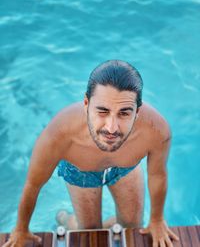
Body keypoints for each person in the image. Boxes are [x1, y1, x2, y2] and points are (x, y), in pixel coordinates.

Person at [3, 60, 179, 247]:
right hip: (80, 171)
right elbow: (33, 184)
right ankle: (65, 219)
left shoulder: (156, 130)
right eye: (102, 111)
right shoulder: (59, 135)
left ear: (137, 111)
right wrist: (21, 229)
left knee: (132, 226)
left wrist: (157, 219)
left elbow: (157, 175)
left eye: (124, 113)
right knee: (90, 231)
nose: (112, 128)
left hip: (124, 168)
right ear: (86, 103)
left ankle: (109, 226)